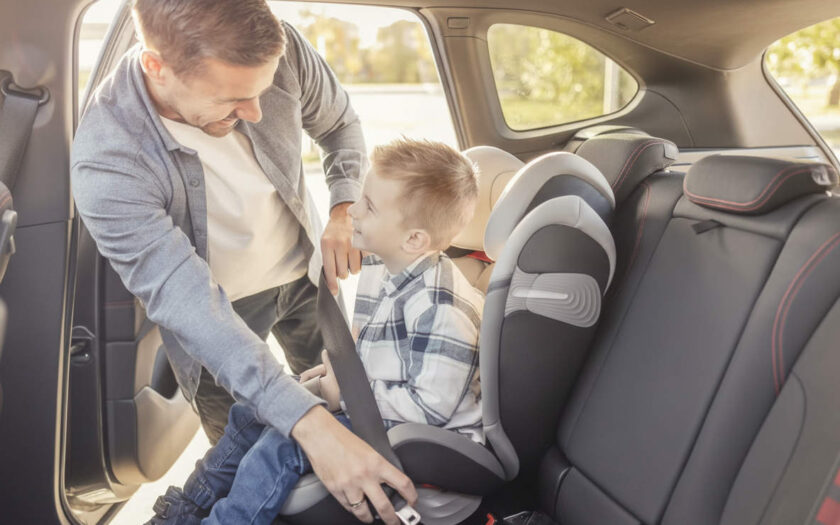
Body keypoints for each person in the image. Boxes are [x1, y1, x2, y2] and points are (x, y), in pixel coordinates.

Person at [71, 0, 415, 522]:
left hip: (303, 279)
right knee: (257, 470)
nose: (256, 112)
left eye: (262, 90)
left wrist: (343, 209)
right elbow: (191, 305)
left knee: (360, 416)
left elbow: (340, 123)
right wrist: (310, 425)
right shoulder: (108, 160)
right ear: (156, 67)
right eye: (233, 99)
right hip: (218, 319)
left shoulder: (283, 51)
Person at [149, 138, 484, 524]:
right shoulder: (384, 263)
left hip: (416, 435)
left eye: (369, 207)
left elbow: (430, 409)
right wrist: (336, 378)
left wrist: (345, 395)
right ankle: (188, 507)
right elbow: (372, 347)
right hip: (373, 402)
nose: (352, 211)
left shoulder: (441, 307)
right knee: (255, 408)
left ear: (414, 239)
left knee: (281, 444)